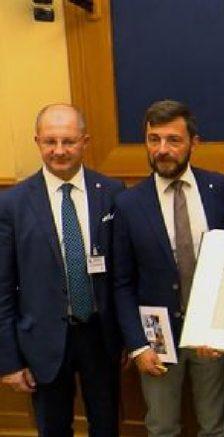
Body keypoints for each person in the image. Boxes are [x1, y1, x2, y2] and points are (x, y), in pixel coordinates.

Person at [0, 104, 124, 435]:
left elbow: (123, 275)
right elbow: (2, 289)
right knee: (53, 429)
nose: (59, 151)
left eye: (68, 141)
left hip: (101, 336)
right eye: (50, 141)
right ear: (37, 141)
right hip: (42, 341)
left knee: (107, 426)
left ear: (85, 141)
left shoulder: (112, 193)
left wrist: (129, 338)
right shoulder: (12, 204)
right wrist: (9, 361)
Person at [112, 100, 224, 436]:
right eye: (154, 139)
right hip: (156, 338)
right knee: (162, 427)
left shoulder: (219, 189)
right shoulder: (128, 203)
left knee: (214, 427)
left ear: (194, 142)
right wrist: (138, 345)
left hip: (210, 333)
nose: (162, 149)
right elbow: (121, 283)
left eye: (173, 140)